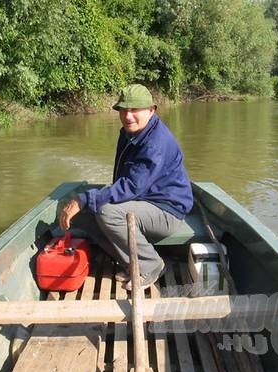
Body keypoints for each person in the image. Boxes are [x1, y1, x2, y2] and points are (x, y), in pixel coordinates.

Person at [59, 84, 193, 290]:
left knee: (106, 212)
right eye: (124, 110)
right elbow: (125, 180)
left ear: (151, 110)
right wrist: (87, 203)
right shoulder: (130, 132)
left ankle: (151, 265)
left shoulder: (156, 143)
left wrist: (84, 198)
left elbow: (131, 186)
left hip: (167, 210)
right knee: (83, 216)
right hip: (142, 199)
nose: (128, 116)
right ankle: (132, 263)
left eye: (134, 110)